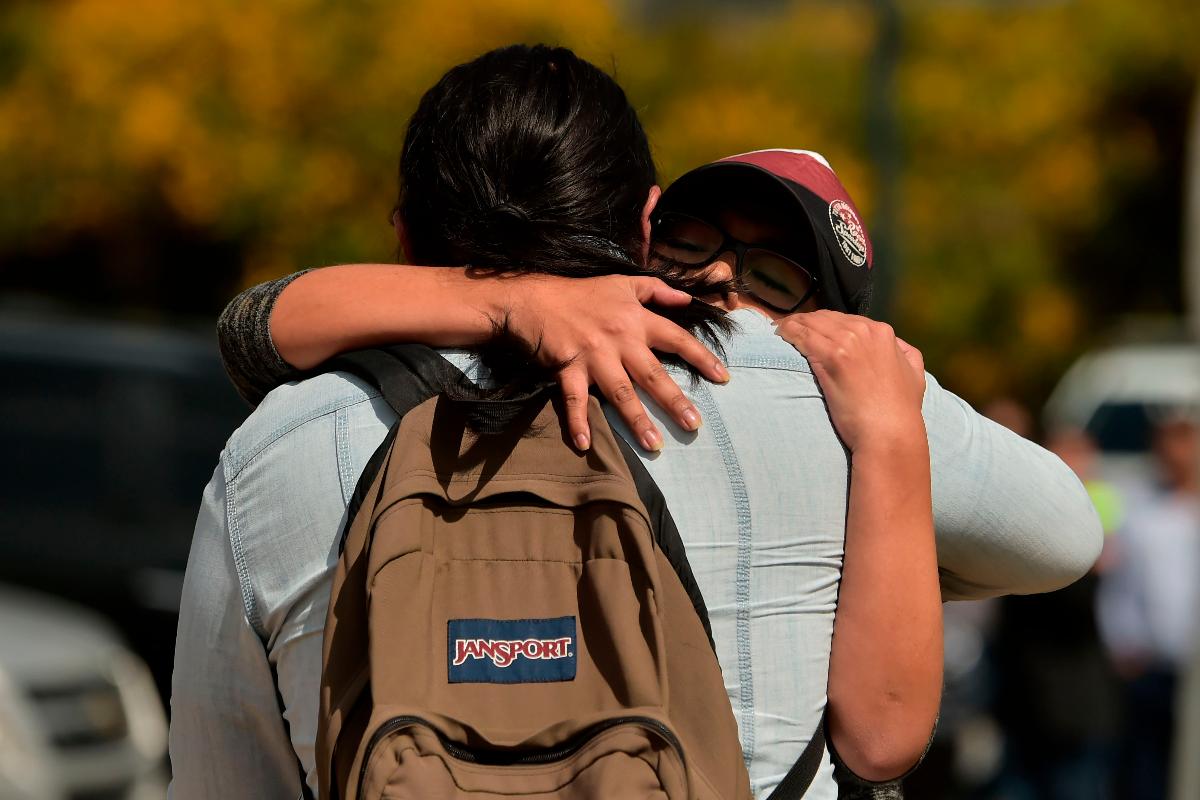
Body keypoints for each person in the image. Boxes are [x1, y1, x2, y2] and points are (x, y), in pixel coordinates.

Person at [170, 45, 1101, 799]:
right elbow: (1064, 535)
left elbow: (224, 777)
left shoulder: (279, 446)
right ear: (647, 222)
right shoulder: (837, 390)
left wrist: (498, 302)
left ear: (406, 241)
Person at [1097, 413, 1200, 800]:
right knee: (1148, 768)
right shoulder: (1140, 509)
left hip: (1192, 665)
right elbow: (1121, 587)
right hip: (1152, 666)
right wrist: (1123, 642)